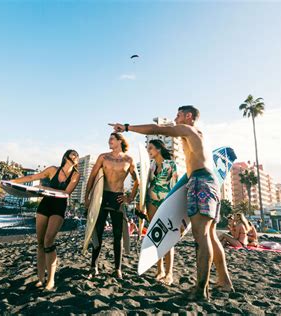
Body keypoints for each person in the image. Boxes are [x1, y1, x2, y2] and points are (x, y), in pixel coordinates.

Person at [109, 105, 233, 300]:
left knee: (201, 236)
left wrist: (126, 127)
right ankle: (224, 281)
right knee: (210, 234)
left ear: (188, 116)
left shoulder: (188, 129)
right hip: (209, 181)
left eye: (178, 115)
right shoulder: (199, 136)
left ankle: (201, 289)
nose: (175, 119)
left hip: (200, 181)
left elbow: (157, 129)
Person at [9, 150, 80, 291]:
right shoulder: (53, 170)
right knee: (40, 242)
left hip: (59, 208)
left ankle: (51, 280)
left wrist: (43, 188)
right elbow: (34, 177)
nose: (76, 156)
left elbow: (66, 193)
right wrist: (12, 182)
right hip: (45, 205)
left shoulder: (76, 175)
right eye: (73, 154)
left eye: (77, 155)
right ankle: (41, 279)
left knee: (49, 241)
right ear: (65, 157)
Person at [84, 133, 139, 279]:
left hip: (118, 198)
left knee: (117, 235)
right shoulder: (103, 157)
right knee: (98, 232)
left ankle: (117, 269)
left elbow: (137, 181)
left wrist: (130, 197)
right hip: (102, 196)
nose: (109, 141)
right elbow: (92, 177)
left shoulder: (129, 160)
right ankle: (93, 267)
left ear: (120, 141)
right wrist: (87, 196)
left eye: (112, 139)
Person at [139, 139, 178, 285]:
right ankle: (159, 270)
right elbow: (147, 184)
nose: (148, 150)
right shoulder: (152, 165)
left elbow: (175, 185)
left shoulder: (171, 164)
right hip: (151, 202)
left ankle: (169, 273)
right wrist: (141, 204)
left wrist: (174, 206)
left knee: (168, 237)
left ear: (159, 149)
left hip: (166, 203)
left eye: (151, 148)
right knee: (156, 236)